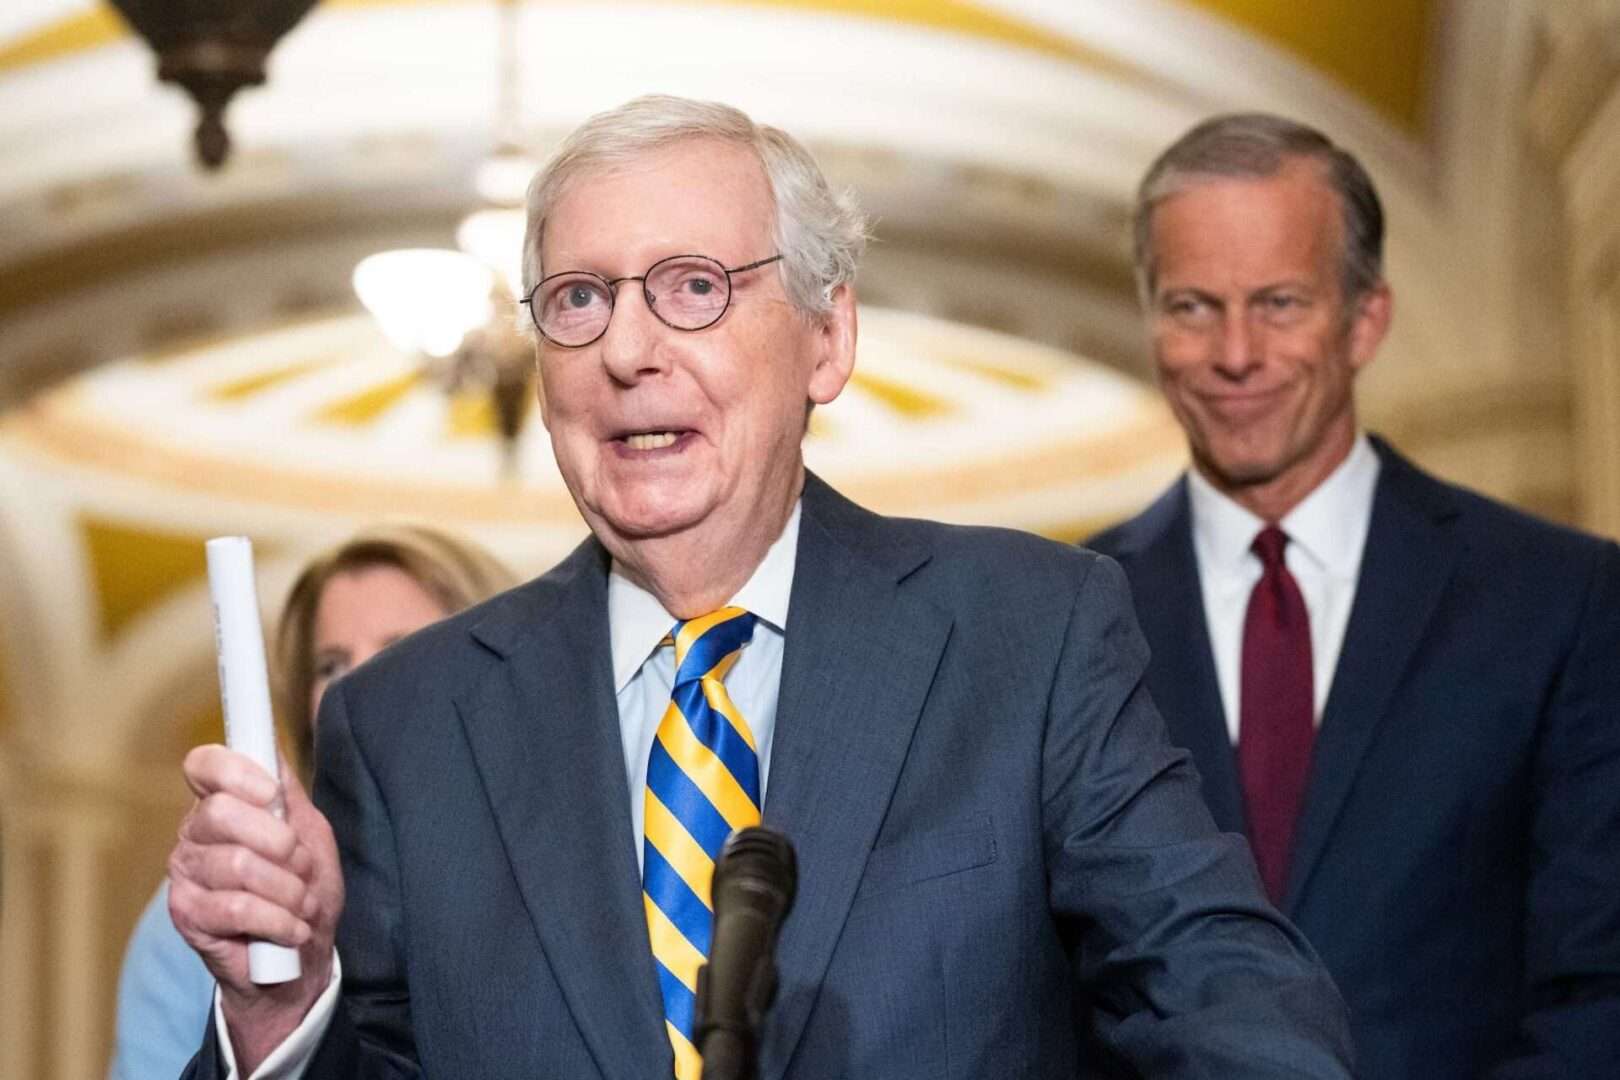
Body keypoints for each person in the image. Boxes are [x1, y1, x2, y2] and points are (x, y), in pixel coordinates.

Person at [168, 95, 1355, 1079]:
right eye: (580, 300)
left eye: (692, 287)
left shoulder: (1029, 635)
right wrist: (284, 1004)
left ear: (827, 340)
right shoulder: (406, 725)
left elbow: (1227, 997)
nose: (628, 351)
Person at [1088, 112, 1620, 1078]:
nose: (1235, 353)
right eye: (1194, 306)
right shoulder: (1061, 617)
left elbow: (1599, 990)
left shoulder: (1563, 602)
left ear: (1365, 317)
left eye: (1280, 303)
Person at [107, 524, 515, 1080]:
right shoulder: (221, 904)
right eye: (331, 665)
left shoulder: (567, 861)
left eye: (402, 651)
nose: (359, 685)